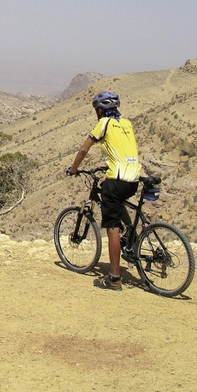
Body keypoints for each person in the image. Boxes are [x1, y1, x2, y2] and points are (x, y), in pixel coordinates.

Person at [66, 91, 142, 291]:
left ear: (100, 110)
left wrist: (73, 169)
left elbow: (84, 149)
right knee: (116, 200)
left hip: (117, 179)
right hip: (134, 179)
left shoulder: (104, 123)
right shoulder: (127, 123)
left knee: (112, 226)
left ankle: (114, 278)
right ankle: (131, 234)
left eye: (96, 110)